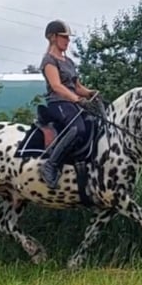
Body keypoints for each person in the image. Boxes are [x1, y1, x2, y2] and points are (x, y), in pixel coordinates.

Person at [38, 19, 97, 189]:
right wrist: (77, 99)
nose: (68, 41)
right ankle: (51, 165)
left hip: (72, 102)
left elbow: (77, 87)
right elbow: (57, 86)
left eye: (68, 38)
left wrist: (91, 93)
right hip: (58, 103)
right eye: (64, 37)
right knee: (76, 128)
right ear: (53, 37)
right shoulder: (49, 60)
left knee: (93, 123)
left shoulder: (69, 62)